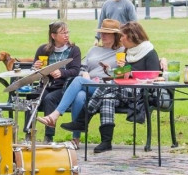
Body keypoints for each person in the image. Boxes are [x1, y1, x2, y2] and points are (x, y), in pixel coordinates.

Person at [37, 18, 124, 151]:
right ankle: (75, 139)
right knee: (79, 95)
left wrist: (114, 70)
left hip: (107, 86)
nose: (103, 35)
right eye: (102, 32)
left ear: (116, 35)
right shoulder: (94, 50)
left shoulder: (122, 51)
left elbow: (128, 71)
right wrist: (84, 73)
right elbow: (83, 67)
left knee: (77, 81)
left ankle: (54, 116)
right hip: (89, 83)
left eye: (107, 33)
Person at [30, 21, 82, 143]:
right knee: (31, 98)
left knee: (50, 99)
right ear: (53, 36)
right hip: (46, 85)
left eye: (67, 32)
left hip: (63, 87)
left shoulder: (74, 50)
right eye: (63, 33)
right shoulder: (43, 50)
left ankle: (49, 136)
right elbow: (35, 70)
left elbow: (75, 70)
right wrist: (36, 67)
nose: (66, 35)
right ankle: (29, 133)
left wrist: (62, 73)